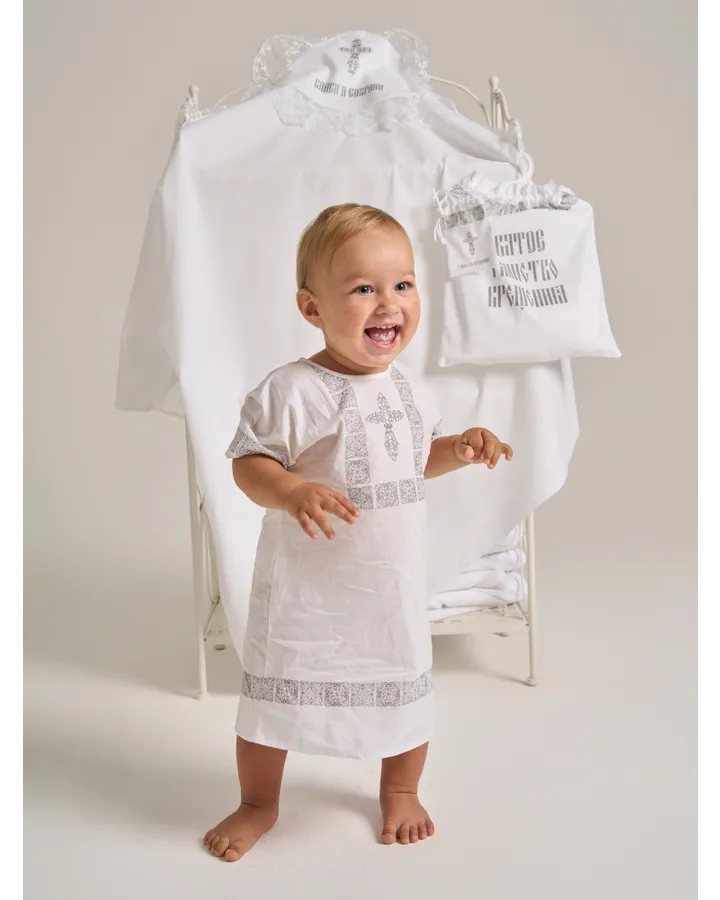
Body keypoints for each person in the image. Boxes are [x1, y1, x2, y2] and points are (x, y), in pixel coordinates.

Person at [203, 204, 513, 861]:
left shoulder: (410, 391)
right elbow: (248, 463)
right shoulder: (291, 390)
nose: (388, 303)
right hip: (307, 593)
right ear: (312, 308)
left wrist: (460, 447)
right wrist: (291, 490)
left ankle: (400, 789)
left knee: (404, 682)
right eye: (364, 288)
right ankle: (257, 802)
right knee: (273, 696)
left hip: (387, 589)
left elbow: (414, 460)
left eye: (403, 284)